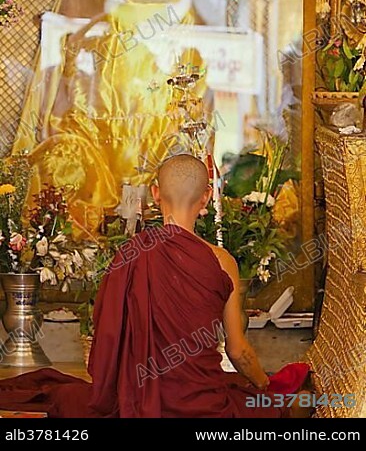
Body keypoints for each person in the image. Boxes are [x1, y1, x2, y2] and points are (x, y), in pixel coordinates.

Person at [0, 154, 308, 418]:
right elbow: (238, 351)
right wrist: (264, 385)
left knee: (68, 399)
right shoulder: (222, 262)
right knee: (265, 406)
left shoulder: (130, 256)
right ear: (205, 198)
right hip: (204, 403)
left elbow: (106, 333)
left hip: (136, 397)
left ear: (155, 192)